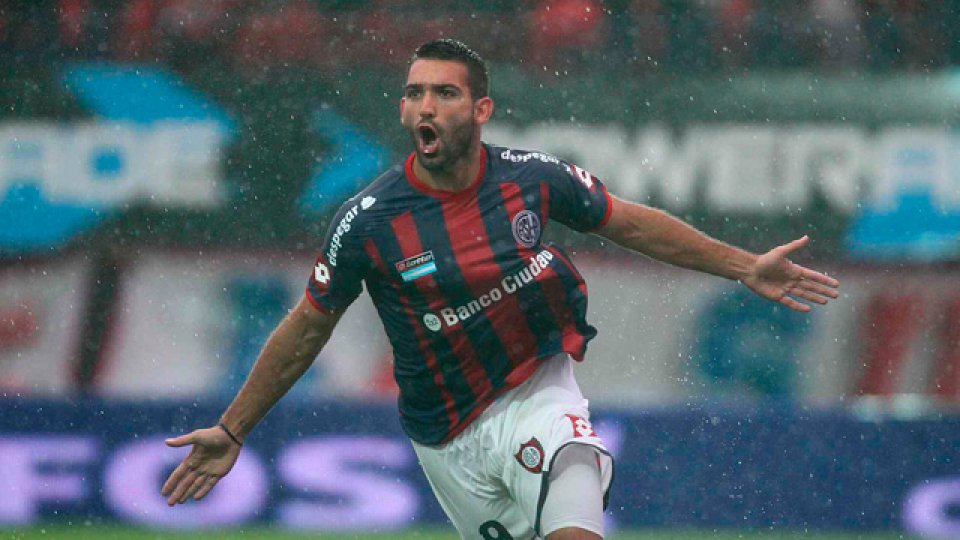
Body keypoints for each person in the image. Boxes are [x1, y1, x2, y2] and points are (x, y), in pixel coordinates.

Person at [161, 39, 840, 539]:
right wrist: (232, 428)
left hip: (536, 390)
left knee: (575, 508)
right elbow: (308, 325)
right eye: (414, 93)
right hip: (444, 435)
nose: (425, 106)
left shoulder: (531, 178)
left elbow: (631, 224)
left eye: (444, 93)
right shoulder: (367, 222)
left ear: (481, 108)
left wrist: (743, 265)